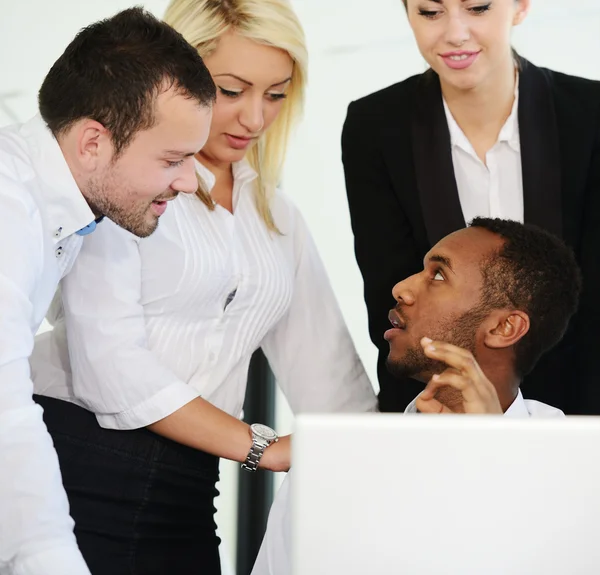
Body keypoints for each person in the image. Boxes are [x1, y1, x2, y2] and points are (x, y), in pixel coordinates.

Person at [30, 1, 377, 573]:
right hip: (74, 463)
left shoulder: (279, 220)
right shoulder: (130, 187)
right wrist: (259, 447)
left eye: (276, 94)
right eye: (231, 90)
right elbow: (110, 366)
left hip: (189, 489)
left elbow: (333, 383)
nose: (254, 119)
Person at [0, 7, 215, 575]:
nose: (191, 182)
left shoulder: (66, 201)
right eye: (173, 159)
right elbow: (4, 418)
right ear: (93, 141)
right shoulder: (7, 209)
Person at [250, 217, 581, 575]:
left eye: (438, 275)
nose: (401, 288)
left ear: (504, 328)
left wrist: (492, 455)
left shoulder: (573, 471)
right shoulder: (333, 464)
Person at [342, 0, 600, 414]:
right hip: (431, 405)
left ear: (520, 7)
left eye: (477, 8)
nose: (455, 33)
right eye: (429, 12)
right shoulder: (375, 126)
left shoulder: (589, 114)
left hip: (577, 411)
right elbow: (389, 297)